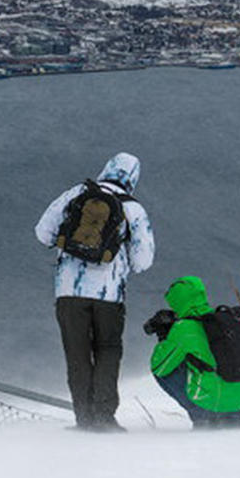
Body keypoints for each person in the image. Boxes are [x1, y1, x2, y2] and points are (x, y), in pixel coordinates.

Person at [34, 151, 155, 431]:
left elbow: (43, 233)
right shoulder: (132, 208)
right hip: (109, 295)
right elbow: (143, 261)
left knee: (77, 354)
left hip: (68, 293)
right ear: (133, 177)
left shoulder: (77, 194)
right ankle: (104, 417)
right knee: (108, 350)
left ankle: (84, 420)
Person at [147, 275, 240, 429]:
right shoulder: (223, 319)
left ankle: (204, 419)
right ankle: (231, 420)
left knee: (166, 370)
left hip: (210, 402)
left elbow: (159, 366)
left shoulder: (185, 328)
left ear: (177, 302)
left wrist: (164, 337)